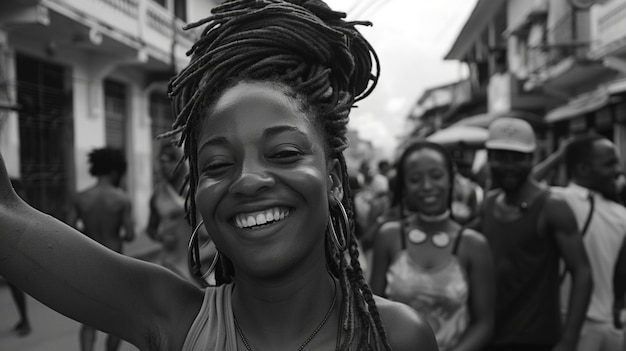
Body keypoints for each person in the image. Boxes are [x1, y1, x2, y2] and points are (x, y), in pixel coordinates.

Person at [0, 1, 438, 350]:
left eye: (283, 153)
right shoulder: (174, 324)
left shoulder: (399, 336)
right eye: (217, 165)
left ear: (336, 178)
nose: (247, 180)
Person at [476, 117, 593, 351]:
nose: (508, 166)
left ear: (531, 159)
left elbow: (582, 272)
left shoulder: (552, 207)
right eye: (500, 157)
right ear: (489, 159)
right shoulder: (488, 204)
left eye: (517, 158)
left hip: (536, 339)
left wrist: (569, 340)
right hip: (487, 337)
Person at [369, 141, 495, 351]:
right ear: (404, 186)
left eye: (436, 176)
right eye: (415, 179)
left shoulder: (473, 244)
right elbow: (373, 312)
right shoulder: (389, 236)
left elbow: (484, 324)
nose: (427, 186)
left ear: (450, 179)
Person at [532, 134, 626, 351]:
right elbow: (520, 189)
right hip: (581, 323)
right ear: (582, 169)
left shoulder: (620, 213)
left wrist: (557, 158)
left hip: (601, 325)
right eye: (609, 164)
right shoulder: (558, 201)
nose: (618, 170)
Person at [66, 147, 135, 351]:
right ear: (115, 171)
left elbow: (69, 230)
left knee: (89, 321)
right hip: (115, 264)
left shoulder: (80, 197)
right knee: (117, 321)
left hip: (89, 263)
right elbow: (130, 235)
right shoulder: (122, 199)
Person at [147, 142, 198, 283]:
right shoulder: (158, 194)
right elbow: (151, 229)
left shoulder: (197, 190)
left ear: (181, 162)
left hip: (200, 265)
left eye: (170, 160)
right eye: (162, 161)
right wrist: (162, 237)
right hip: (170, 266)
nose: (165, 166)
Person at [5, 178, 32, 336]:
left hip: (9, 238)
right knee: (13, 282)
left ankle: (25, 321)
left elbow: (22, 209)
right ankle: (24, 320)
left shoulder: (12, 184)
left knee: (14, 282)